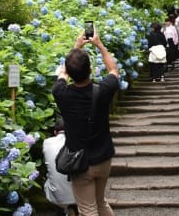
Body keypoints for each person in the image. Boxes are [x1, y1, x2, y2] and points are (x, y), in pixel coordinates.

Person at [53, 29, 120, 216]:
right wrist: (99, 45)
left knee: (88, 210)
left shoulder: (61, 93)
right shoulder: (103, 90)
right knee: (100, 203)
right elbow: (113, 69)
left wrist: (76, 47)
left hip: (80, 162)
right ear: (90, 70)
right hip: (104, 158)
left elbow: (63, 73)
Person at [43, 117, 77, 216]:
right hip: (79, 194)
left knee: (50, 177)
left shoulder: (47, 143)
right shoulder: (77, 141)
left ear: (55, 132)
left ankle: (62, 211)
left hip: (57, 196)